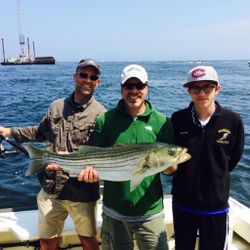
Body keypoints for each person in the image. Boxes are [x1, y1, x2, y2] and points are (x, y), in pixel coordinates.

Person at [0, 59, 106, 250]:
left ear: (97, 82)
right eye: (83, 75)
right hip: (51, 188)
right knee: (47, 241)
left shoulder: (101, 115)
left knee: (88, 240)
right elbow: (39, 132)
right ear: (75, 77)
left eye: (93, 77)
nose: (87, 80)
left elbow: (102, 154)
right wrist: (10, 132)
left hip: (82, 192)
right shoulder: (56, 106)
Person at [78, 64, 175, 250]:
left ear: (147, 87)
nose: (134, 91)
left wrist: (170, 166)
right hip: (114, 211)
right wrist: (89, 174)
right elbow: (92, 157)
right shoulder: (105, 120)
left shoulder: (163, 122)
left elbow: (170, 170)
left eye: (139, 86)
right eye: (128, 86)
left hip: (150, 212)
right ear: (121, 88)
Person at [171, 65, 245, 250]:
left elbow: (233, 158)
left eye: (207, 87)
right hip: (183, 203)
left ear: (217, 89)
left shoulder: (233, 120)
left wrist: (215, 179)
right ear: (188, 90)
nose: (201, 92)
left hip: (215, 205)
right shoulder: (177, 119)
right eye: (195, 88)